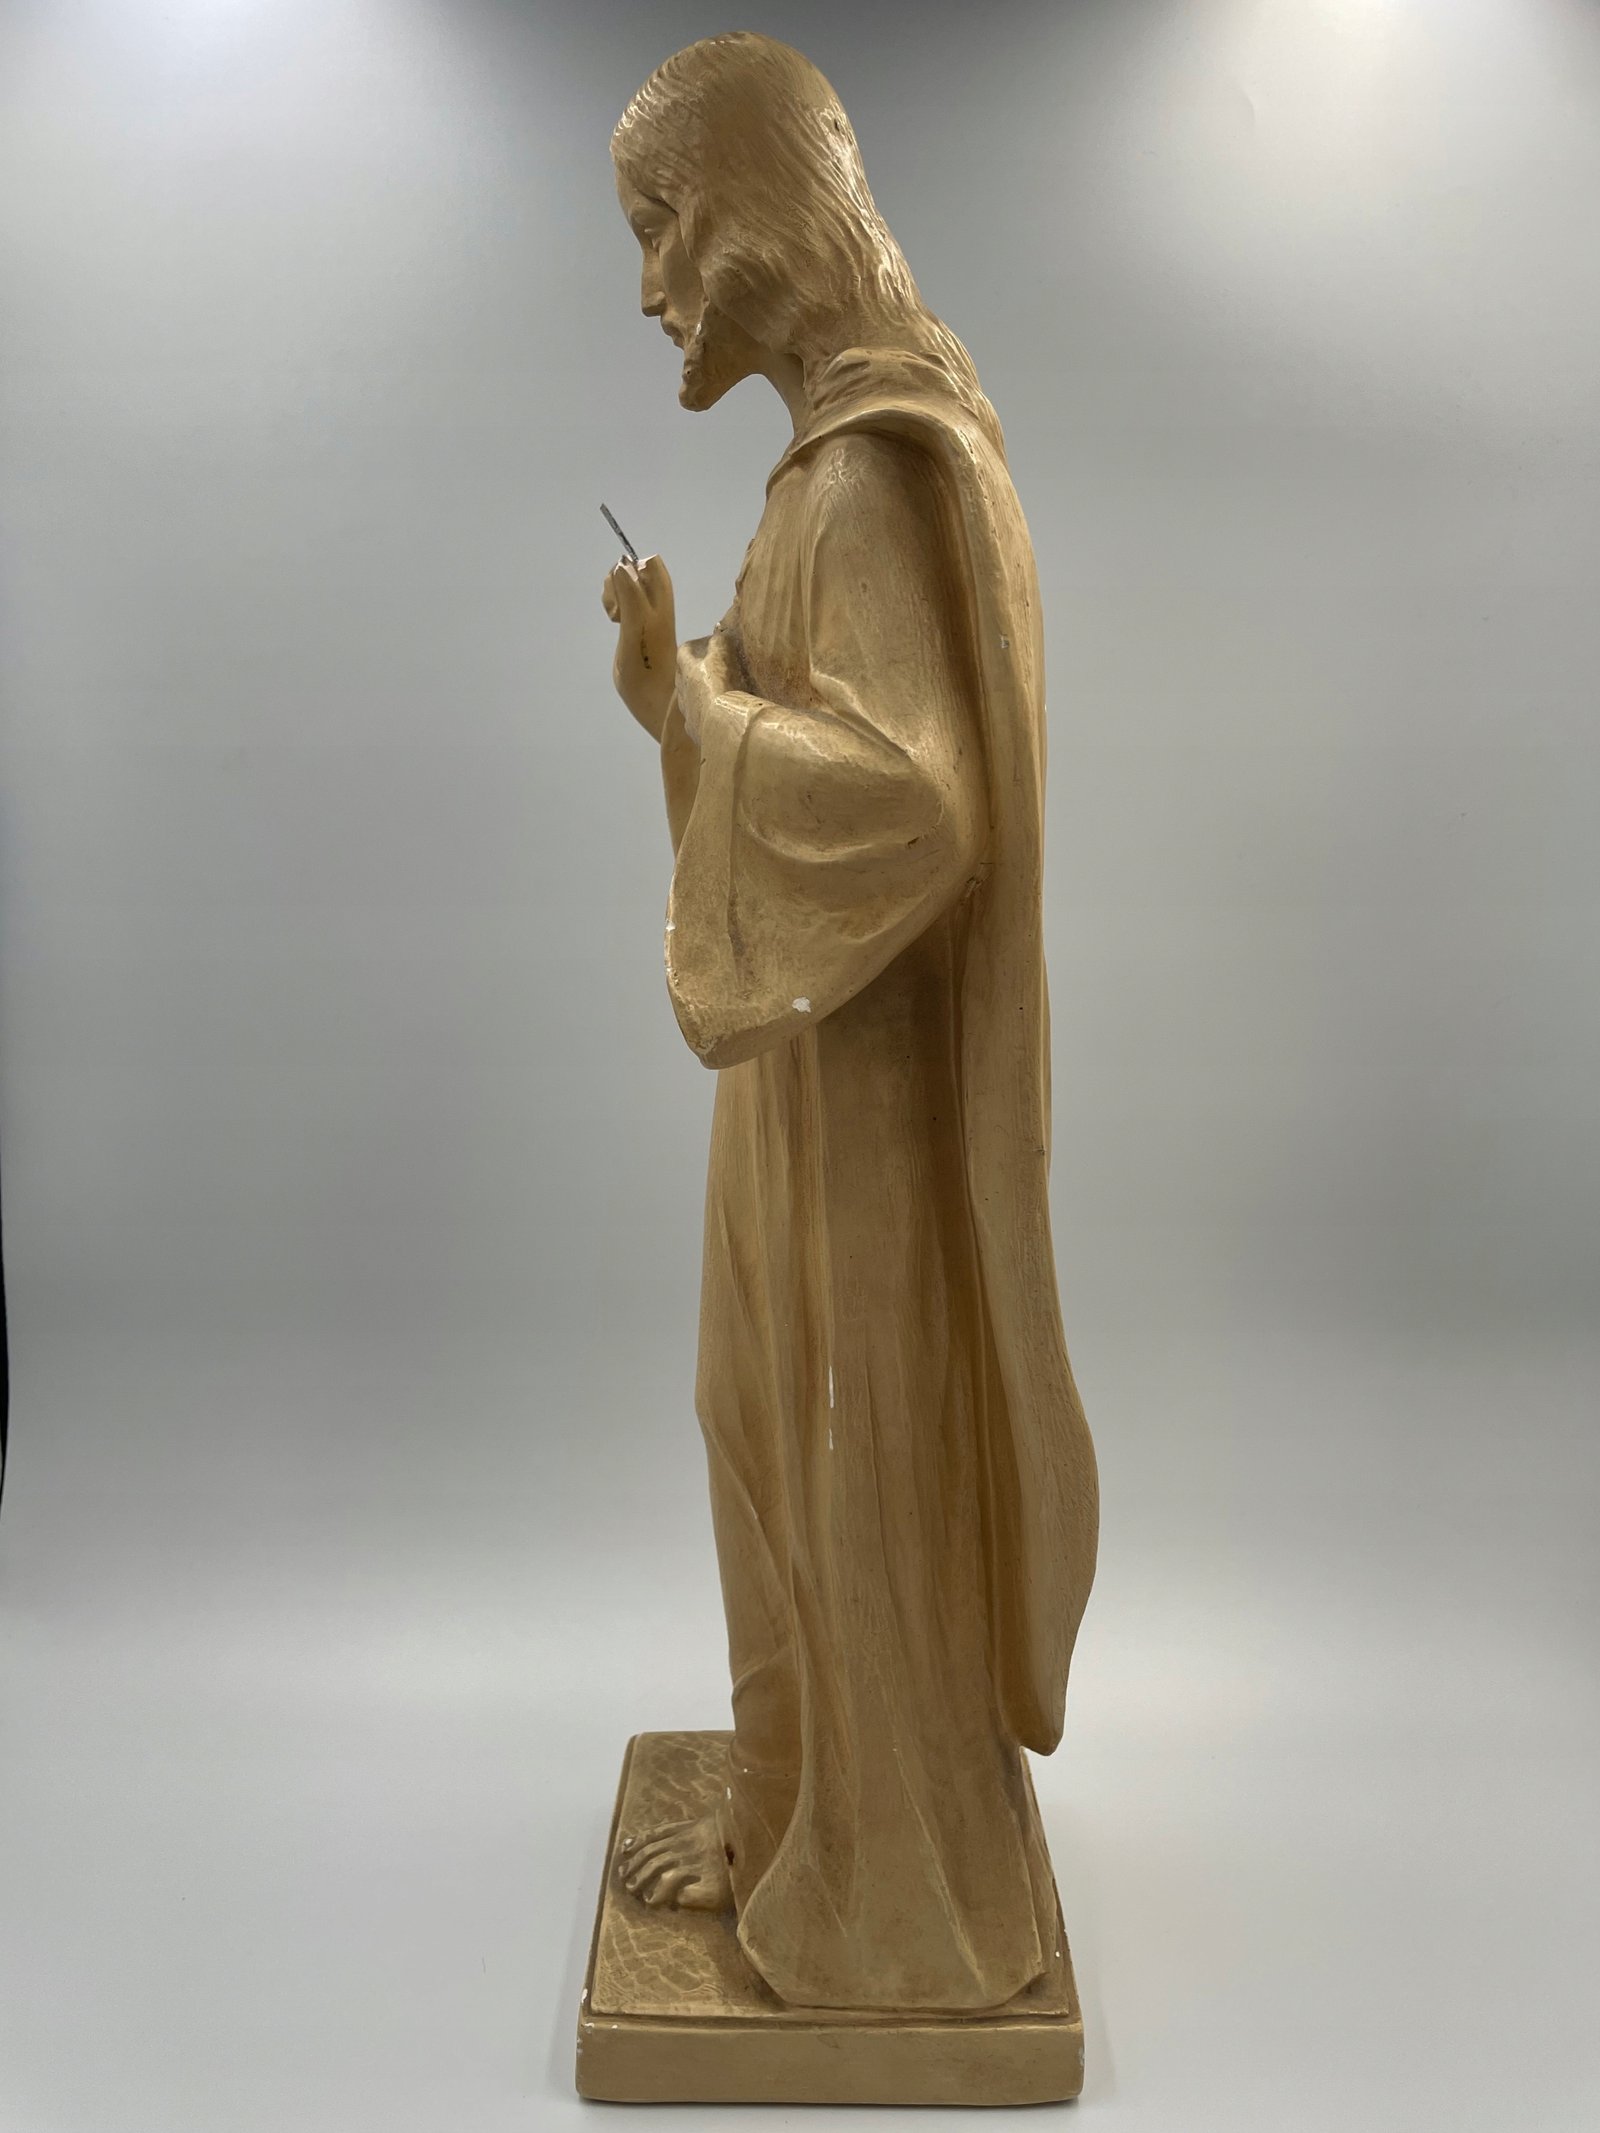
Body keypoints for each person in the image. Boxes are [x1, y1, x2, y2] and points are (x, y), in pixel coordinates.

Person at [599, 33, 1098, 2015]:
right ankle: (791, 1799)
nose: (651, 287)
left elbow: (909, 803)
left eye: (662, 226)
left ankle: (898, 1896)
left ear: (755, 210)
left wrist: (709, 716)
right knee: (761, 1419)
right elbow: (834, 742)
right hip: (806, 1070)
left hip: (865, 1106)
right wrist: (695, 698)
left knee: (849, 1445)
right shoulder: (832, 464)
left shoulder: (873, 469)